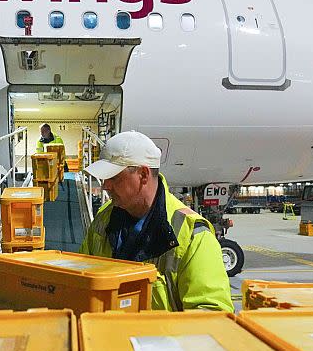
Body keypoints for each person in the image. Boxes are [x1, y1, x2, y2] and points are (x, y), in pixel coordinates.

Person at [78, 131, 234, 312]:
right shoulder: (105, 217)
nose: (105, 185)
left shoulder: (192, 234)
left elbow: (212, 314)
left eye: (114, 177)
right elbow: (83, 275)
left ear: (143, 174)